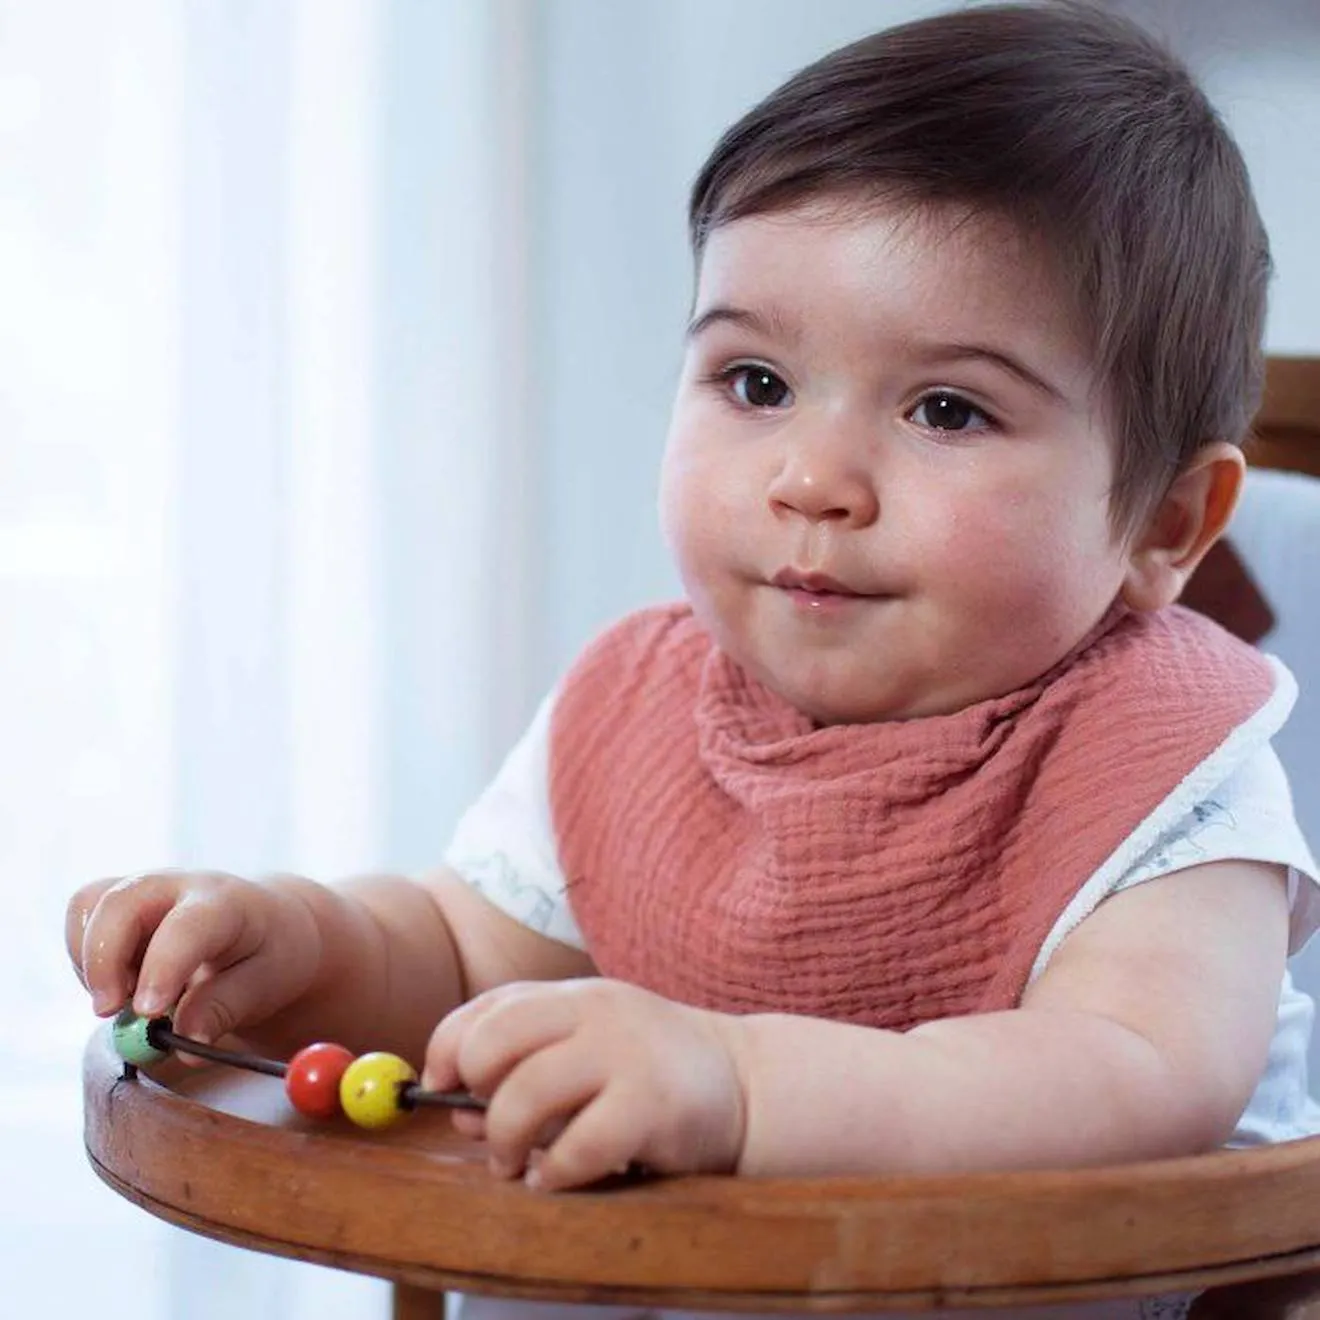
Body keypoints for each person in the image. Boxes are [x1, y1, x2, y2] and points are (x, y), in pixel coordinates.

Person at [67, 4, 1319, 1318]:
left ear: (1165, 524)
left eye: (948, 408)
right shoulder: (638, 712)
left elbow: (1129, 1073)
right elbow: (460, 954)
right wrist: (302, 947)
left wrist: (744, 1085)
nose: (814, 480)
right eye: (757, 382)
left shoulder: (1166, 770)